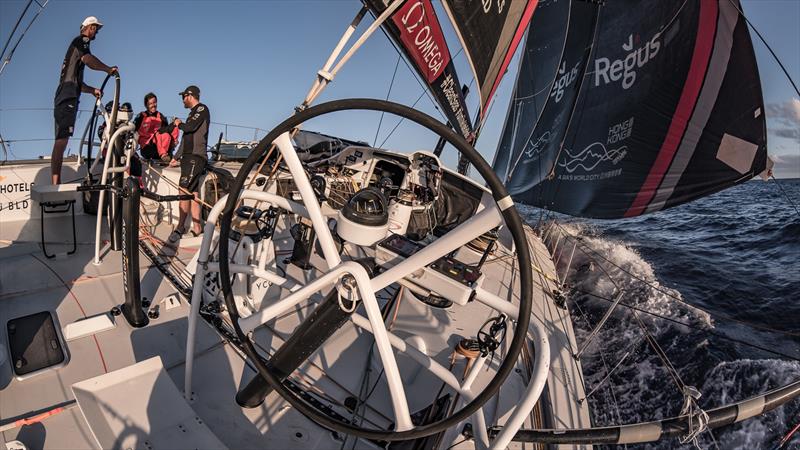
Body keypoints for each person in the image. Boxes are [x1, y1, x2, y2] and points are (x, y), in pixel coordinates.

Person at [51, 16, 117, 184]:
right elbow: (88, 59)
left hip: (66, 93)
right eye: (96, 28)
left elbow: (77, 82)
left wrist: (91, 90)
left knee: (62, 139)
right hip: (67, 95)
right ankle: (55, 185)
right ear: (89, 27)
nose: (97, 32)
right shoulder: (82, 40)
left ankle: (55, 183)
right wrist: (108, 69)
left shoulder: (76, 47)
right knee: (62, 140)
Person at [168, 85, 210, 242]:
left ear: (190, 96)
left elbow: (190, 128)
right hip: (187, 157)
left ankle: (180, 227)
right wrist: (176, 157)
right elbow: (186, 138)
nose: (182, 100)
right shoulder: (192, 114)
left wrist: (178, 124)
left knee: (183, 190)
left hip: (195, 157)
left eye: (183, 97)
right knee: (193, 193)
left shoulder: (201, 109)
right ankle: (197, 227)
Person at [133, 93, 179, 163]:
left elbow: (166, 131)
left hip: (161, 148)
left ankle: (167, 155)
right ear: (146, 105)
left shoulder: (160, 116)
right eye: (150, 103)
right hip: (147, 147)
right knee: (159, 133)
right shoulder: (141, 116)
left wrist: (174, 140)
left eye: (154, 102)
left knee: (167, 132)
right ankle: (164, 155)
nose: (153, 105)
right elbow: (133, 129)